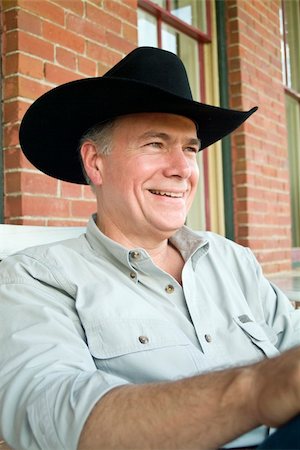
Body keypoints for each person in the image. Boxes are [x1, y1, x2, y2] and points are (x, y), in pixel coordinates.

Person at [0, 46, 299, 450]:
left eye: (190, 148)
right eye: (155, 144)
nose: (182, 168)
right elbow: (51, 417)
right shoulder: (36, 278)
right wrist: (254, 391)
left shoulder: (234, 260)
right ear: (96, 163)